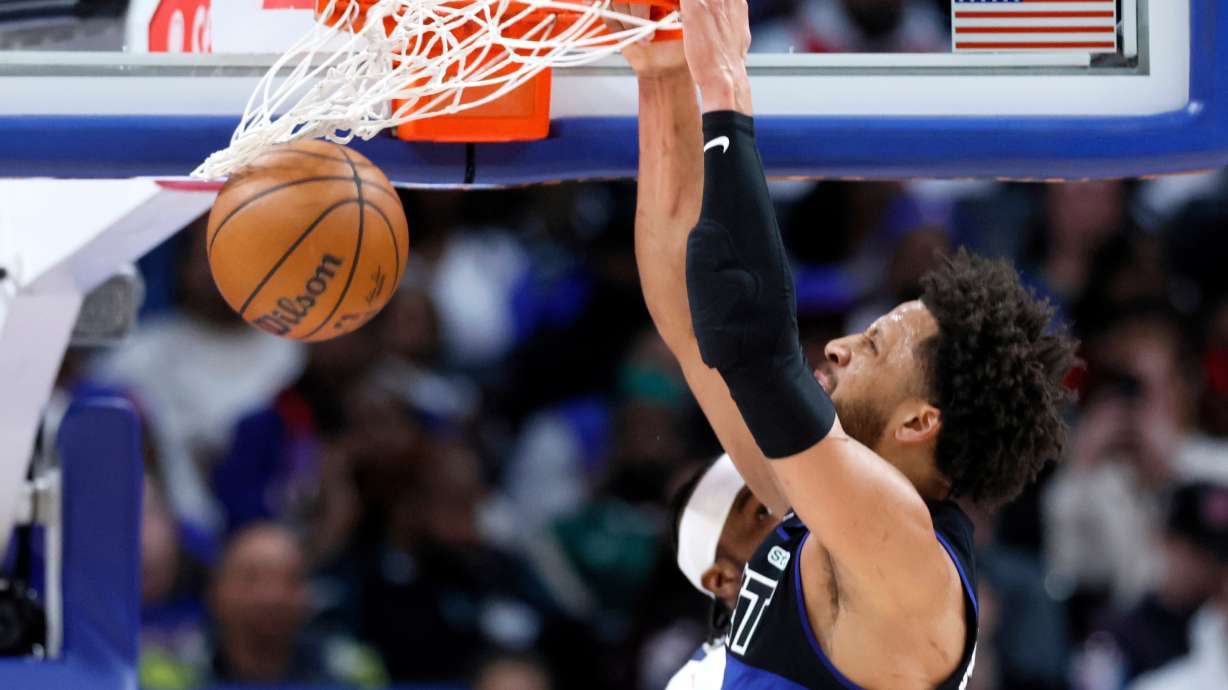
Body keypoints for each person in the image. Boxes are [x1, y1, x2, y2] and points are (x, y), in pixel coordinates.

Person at [614, 0, 1076, 686]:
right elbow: (691, 313)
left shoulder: (911, 570)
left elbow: (757, 349)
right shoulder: (826, 509)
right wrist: (663, 75)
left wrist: (723, 84)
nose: (838, 348)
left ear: (920, 421)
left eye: (876, 345)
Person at [666, 455, 780, 690]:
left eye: (786, 493)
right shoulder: (701, 682)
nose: (792, 513)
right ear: (723, 580)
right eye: (764, 511)